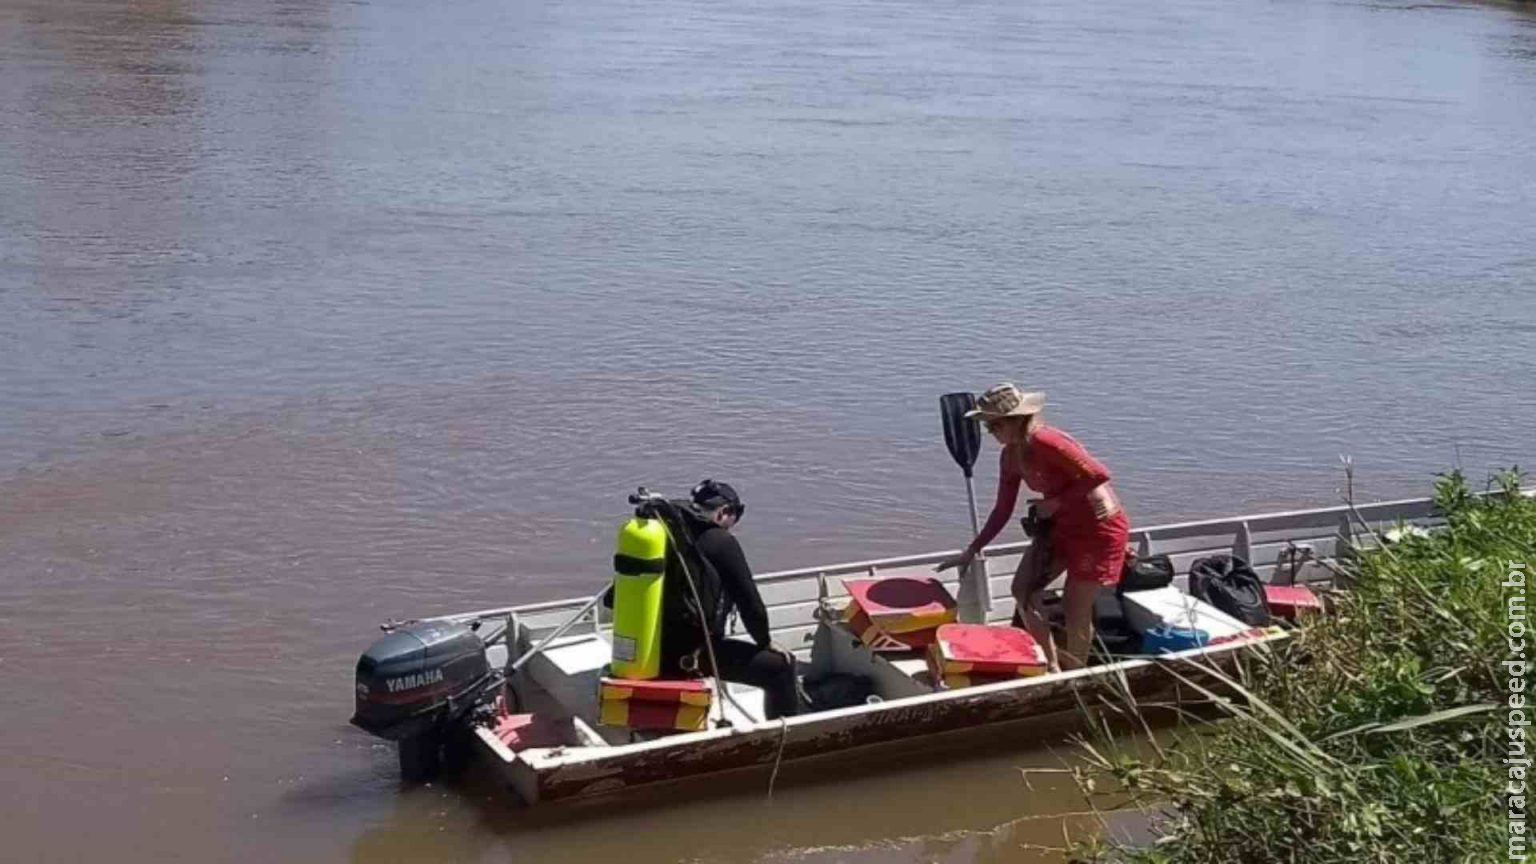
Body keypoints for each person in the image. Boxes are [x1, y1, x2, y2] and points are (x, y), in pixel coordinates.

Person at [936, 384, 1130, 671]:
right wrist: (972, 550)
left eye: (995, 425)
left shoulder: (1047, 441)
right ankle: (1050, 666)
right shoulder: (1011, 456)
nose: (991, 433)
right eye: (987, 427)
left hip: (1098, 530)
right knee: (1023, 591)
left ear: (1017, 419)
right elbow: (1003, 508)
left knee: (1076, 608)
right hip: (1061, 528)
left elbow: (1099, 474)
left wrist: (1056, 502)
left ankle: (1075, 674)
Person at [656, 479, 800, 719]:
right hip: (692, 654)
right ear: (724, 512)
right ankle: (786, 740)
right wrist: (764, 642)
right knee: (780, 668)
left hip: (650, 647)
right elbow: (749, 602)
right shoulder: (719, 542)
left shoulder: (667, 533)